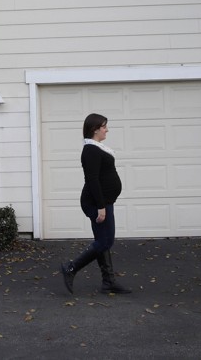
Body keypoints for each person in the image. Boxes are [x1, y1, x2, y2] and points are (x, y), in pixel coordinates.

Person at [59, 113, 131, 294]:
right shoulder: (90, 150)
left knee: (103, 241)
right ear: (95, 129)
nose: (107, 130)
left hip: (104, 201)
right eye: (104, 126)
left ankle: (109, 282)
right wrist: (100, 206)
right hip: (96, 203)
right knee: (105, 241)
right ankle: (71, 267)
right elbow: (92, 180)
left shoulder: (97, 148)